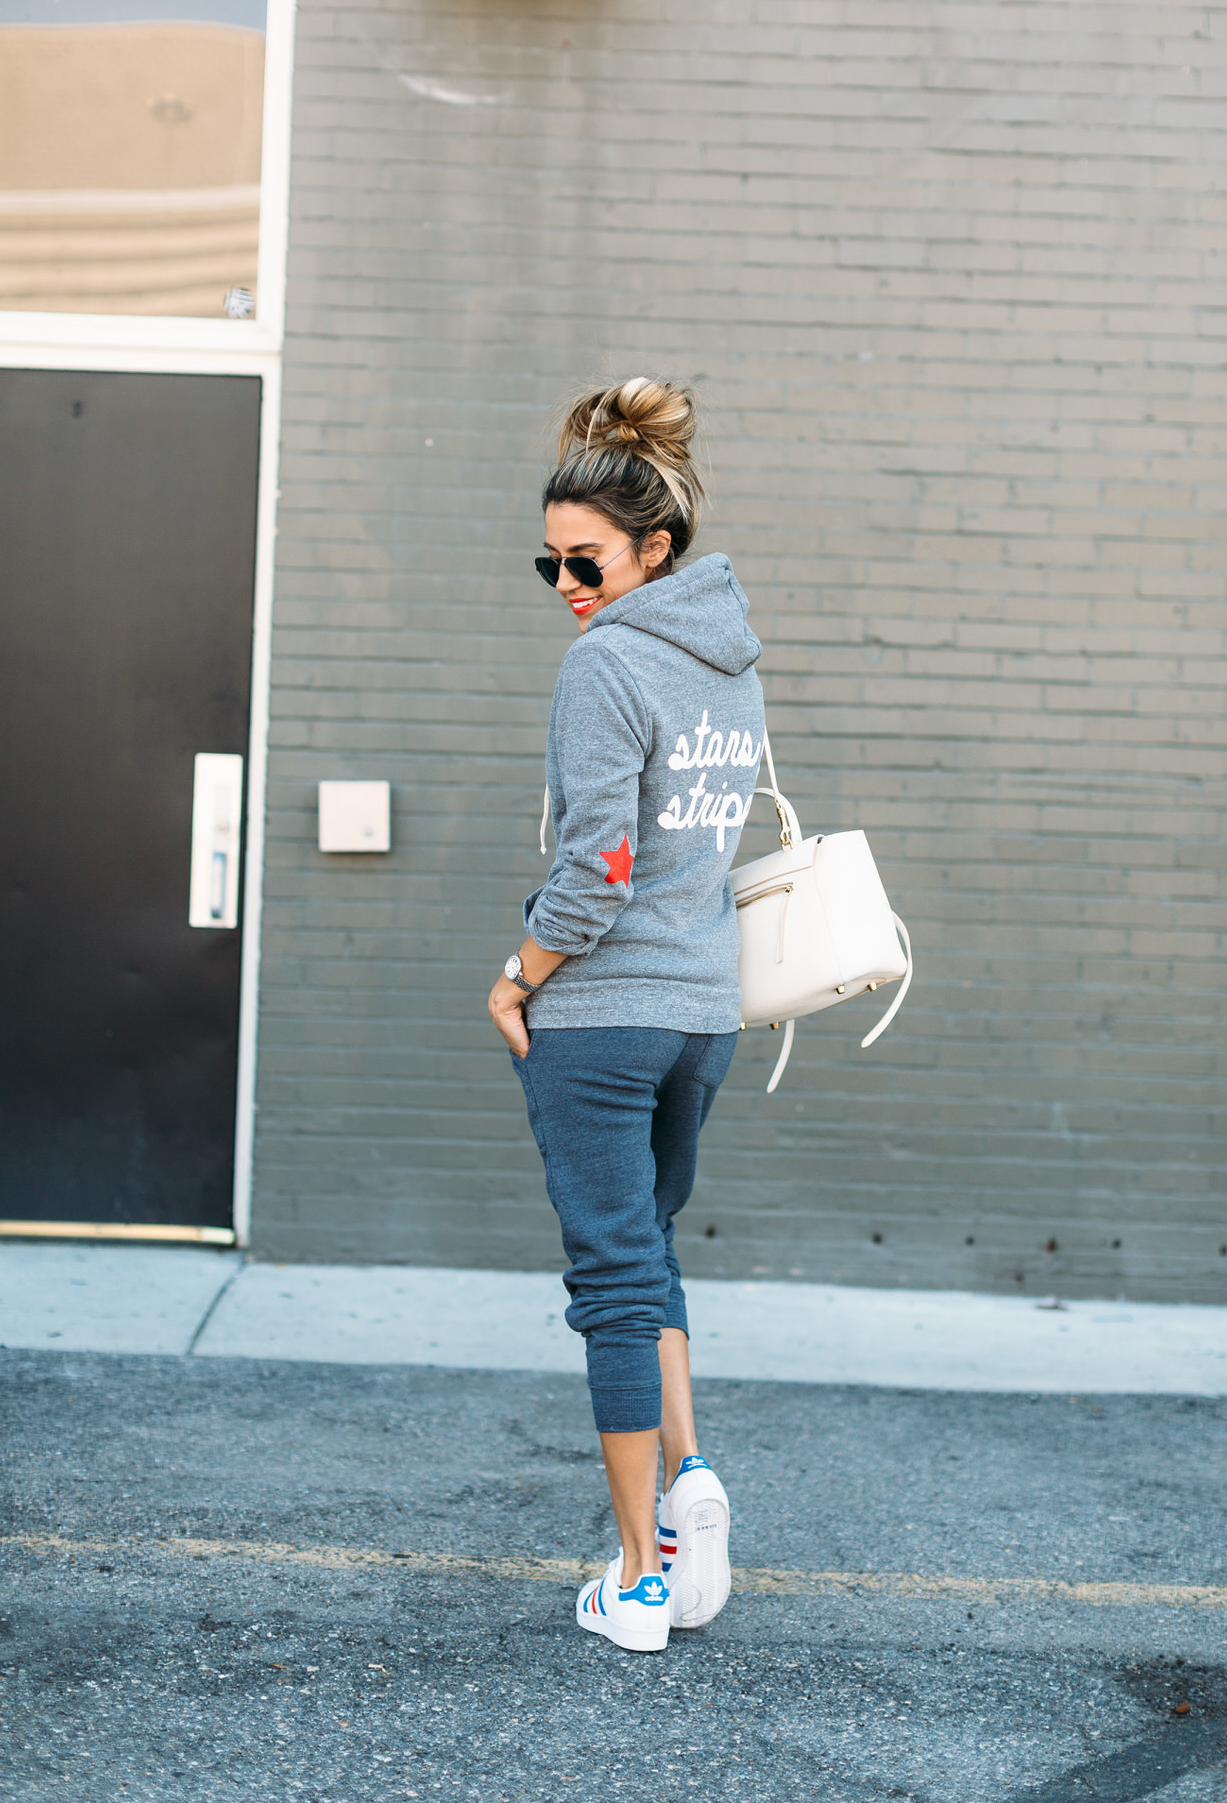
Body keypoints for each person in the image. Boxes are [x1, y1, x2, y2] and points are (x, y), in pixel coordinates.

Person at [486, 377, 766, 1654]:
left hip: (600, 1017)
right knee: (646, 1250)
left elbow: (597, 866)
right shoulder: (728, 662)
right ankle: (691, 1481)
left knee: (607, 1276)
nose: (565, 585)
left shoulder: (606, 664)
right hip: (703, 1010)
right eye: (548, 563)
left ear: (655, 550)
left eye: (584, 559)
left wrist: (520, 974)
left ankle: (639, 1577)